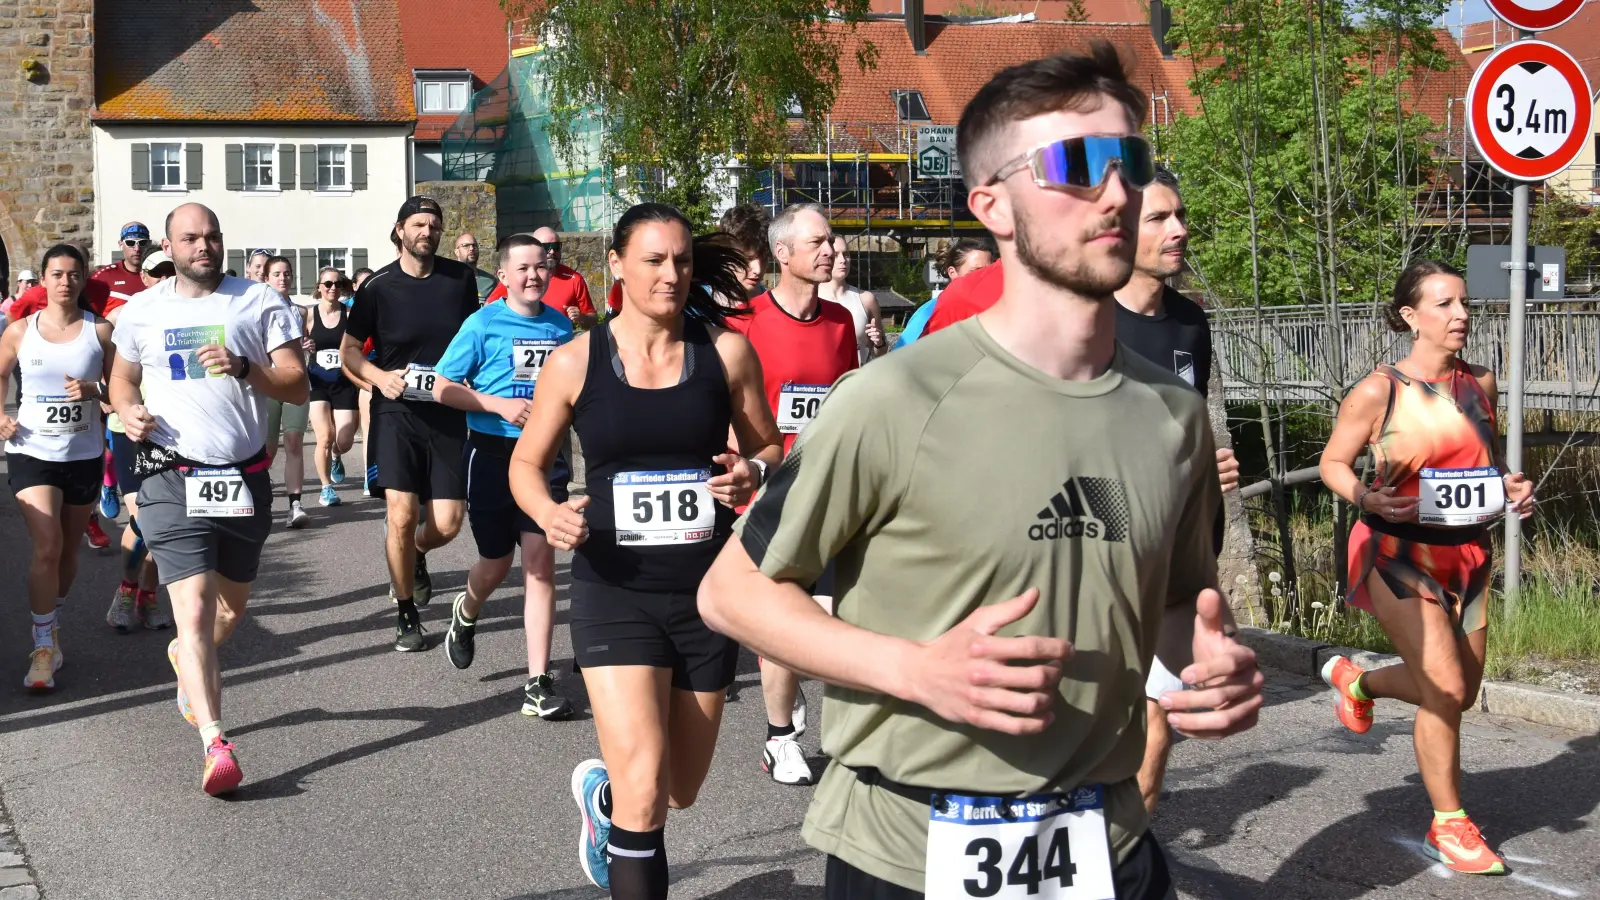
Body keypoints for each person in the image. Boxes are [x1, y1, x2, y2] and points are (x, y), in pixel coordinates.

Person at [699, 46, 1265, 899]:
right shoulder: (894, 399)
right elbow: (732, 593)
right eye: (1077, 166)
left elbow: (1178, 606)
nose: (1117, 193)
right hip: (910, 851)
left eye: (1133, 164)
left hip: (1106, 844)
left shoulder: (1170, 415)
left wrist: (1208, 663)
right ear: (992, 206)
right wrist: (914, 671)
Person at [508, 203, 782, 897]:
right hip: (614, 588)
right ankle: (622, 809)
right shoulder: (577, 360)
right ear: (617, 266)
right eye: (655, 260)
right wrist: (547, 513)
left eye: (684, 261)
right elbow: (526, 464)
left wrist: (752, 472)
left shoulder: (724, 354)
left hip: (707, 595)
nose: (673, 274)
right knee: (643, 789)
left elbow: (769, 446)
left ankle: (601, 805)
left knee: (677, 792)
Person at [1317, 260, 1535, 875]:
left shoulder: (1481, 384)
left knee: (1459, 691)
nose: (1461, 314)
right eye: (1444, 305)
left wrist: (1510, 486)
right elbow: (1335, 462)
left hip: (1467, 554)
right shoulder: (1378, 390)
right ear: (1411, 317)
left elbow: (1483, 468)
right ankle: (1450, 823)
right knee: (1444, 690)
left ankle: (1359, 683)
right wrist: (1365, 496)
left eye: (1463, 303)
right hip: (1394, 551)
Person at [109, 202, 307, 795]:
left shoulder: (258, 301)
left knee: (229, 611)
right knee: (192, 607)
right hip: (170, 472)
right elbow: (119, 378)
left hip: (243, 475)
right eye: (191, 238)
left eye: (213, 236)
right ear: (169, 246)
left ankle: (185, 662)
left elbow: (295, 381)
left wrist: (247, 368)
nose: (205, 246)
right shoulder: (141, 310)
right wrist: (126, 411)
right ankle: (215, 741)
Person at [724, 202, 857, 786]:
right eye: (818, 242)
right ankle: (781, 738)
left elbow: (852, 403)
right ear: (784, 255)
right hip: (767, 491)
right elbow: (724, 404)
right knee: (783, 618)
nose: (829, 250)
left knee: (831, 618)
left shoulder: (841, 321)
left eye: (830, 241)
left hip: (831, 490)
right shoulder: (745, 321)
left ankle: (797, 705)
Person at [434, 234, 576, 718]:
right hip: (491, 454)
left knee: (540, 564)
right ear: (503, 276)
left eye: (541, 266)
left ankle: (537, 681)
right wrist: (498, 404)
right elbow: (441, 387)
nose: (534, 276)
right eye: (523, 269)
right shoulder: (482, 323)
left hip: (545, 457)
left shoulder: (560, 327)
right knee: (495, 563)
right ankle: (467, 610)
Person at [342, 196, 478, 650]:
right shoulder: (377, 287)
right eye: (418, 224)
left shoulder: (459, 280)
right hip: (396, 411)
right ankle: (406, 612)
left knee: (448, 524)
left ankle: (417, 554)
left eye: (434, 225)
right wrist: (380, 377)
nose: (427, 232)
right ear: (400, 230)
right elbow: (349, 353)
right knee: (400, 515)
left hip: (446, 412)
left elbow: (473, 340)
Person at [0, 244, 114, 689]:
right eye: (57, 274)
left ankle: (52, 618)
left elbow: (122, 387)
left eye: (73, 274)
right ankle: (43, 645)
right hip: (31, 451)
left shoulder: (100, 331)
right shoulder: (19, 330)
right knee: (47, 545)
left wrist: (94, 389)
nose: (65, 282)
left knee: (68, 550)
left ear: (83, 279)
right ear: (43, 280)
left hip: (82, 454)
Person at [104, 251, 179, 634]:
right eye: (156, 273)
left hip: (171, 433)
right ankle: (128, 590)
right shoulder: (124, 318)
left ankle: (146, 596)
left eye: (170, 271)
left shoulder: (189, 316)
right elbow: (107, 380)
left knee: (161, 523)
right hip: (130, 430)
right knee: (146, 518)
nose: (164, 278)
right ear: (144, 278)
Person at [262, 256, 313, 528]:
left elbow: (301, 341)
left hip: (297, 382)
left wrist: (308, 346)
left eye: (287, 274)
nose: (283, 278)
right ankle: (260, 498)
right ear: (267, 279)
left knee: (294, 442)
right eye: (277, 274)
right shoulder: (257, 310)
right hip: (269, 382)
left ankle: (295, 504)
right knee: (268, 448)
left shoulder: (301, 311)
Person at [306, 268, 358, 507]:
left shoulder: (349, 313)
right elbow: (296, 344)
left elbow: (359, 344)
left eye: (337, 284)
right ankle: (326, 488)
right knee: (324, 437)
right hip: (318, 381)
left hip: (344, 381)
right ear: (319, 287)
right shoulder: (308, 315)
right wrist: (303, 345)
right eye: (327, 284)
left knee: (343, 440)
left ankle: (337, 456)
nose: (332, 288)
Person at [487, 227, 598, 329]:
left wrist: (581, 318)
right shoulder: (516, 279)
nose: (552, 251)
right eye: (546, 247)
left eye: (556, 246)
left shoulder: (574, 279)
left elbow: (593, 319)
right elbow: (489, 309)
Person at [894, 237, 993, 348]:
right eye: (977, 271)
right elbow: (902, 357)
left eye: (991, 270)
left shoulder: (994, 308)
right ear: (952, 272)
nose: (986, 276)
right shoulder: (930, 311)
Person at [816, 236, 886, 364]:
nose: (843, 260)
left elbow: (882, 353)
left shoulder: (866, 299)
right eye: (836, 255)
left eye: (846, 254)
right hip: (821, 382)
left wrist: (879, 343)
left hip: (856, 380)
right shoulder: (811, 299)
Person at [719, 203, 772, 297]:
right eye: (748, 258)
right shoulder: (696, 305)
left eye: (764, 259)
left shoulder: (773, 308)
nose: (758, 270)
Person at [454, 232, 498, 304]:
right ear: (457, 252)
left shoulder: (489, 281)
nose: (471, 248)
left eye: (474, 245)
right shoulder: (448, 278)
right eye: (466, 246)